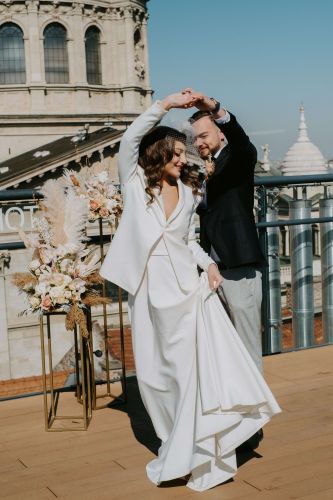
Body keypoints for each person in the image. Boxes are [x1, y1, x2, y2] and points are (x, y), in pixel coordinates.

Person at [100, 92, 280, 492]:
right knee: (153, 376)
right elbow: (129, 140)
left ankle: (196, 449)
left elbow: (189, 242)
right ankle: (172, 441)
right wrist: (163, 105)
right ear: (159, 153)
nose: (184, 158)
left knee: (190, 374)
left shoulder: (187, 192)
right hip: (148, 292)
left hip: (187, 292)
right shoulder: (134, 185)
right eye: (177, 152)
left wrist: (209, 264)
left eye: (186, 151)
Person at [189, 90, 266, 376]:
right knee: (225, 344)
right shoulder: (205, 169)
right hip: (213, 269)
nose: (199, 142)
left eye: (204, 135)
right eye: (195, 138)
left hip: (238, 266)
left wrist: (216, 109)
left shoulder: (238, 157)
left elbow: (244, 143)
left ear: (220, 134)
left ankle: (256, 419)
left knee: (246, 345)